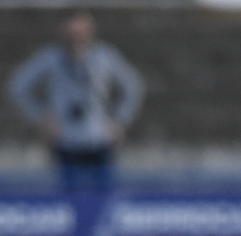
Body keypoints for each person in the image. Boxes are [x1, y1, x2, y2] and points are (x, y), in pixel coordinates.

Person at [8, 12, 144, 192]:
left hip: (99, 139)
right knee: (68, 195)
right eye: (72, 34)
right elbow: (18, 86)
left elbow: (133, 86)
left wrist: (120, 120)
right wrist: (40, 118)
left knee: (104, 196)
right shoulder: (52, 58)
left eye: (80, 33)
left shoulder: (104, 57)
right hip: (66, 139)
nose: (76, 39)